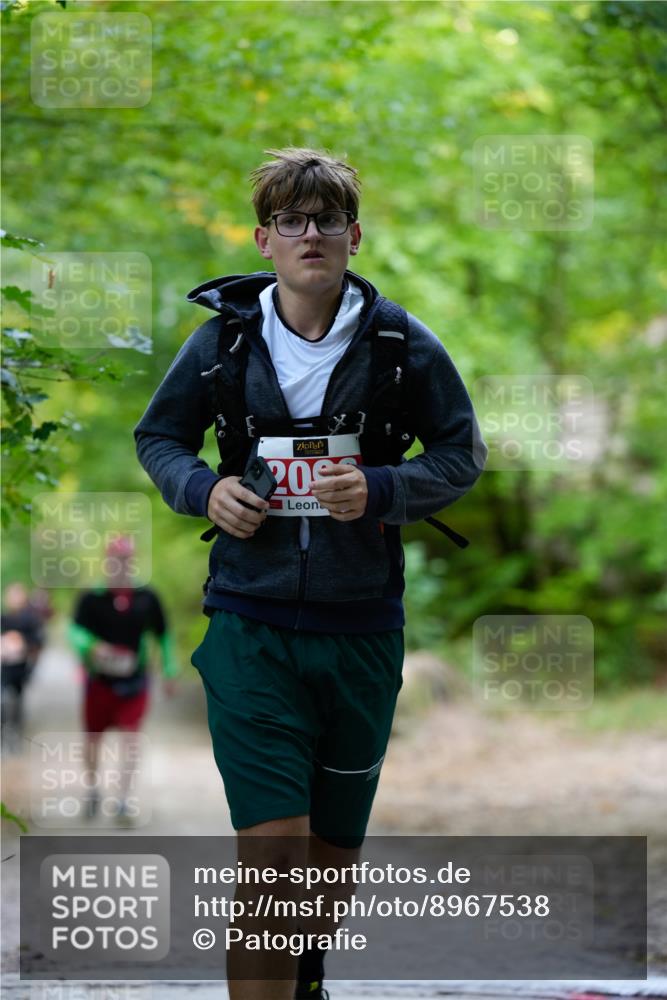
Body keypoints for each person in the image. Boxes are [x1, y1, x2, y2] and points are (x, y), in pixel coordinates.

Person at [134, 147, 485, 999]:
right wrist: (203, 490)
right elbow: (159, 440)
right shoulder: (221, 341)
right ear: (264, 239)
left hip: (361, 628)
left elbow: (461, 455)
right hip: (249, 626)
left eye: (327, 219)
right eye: (291, 221)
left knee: (327, 867)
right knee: (272, 859)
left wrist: (381, 488)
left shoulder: (401, 343)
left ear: (353, 235)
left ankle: (307, 974)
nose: (310, 235)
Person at [68, 535, 179, 823]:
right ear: (107, 560)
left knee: (131, 739)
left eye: (126, 559)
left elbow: (164, 635)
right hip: (99, 682)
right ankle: (93, 789)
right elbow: (75, 632)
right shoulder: (92, 597)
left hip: (135, 681)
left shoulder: (147, 596)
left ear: (133, 560)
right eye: (116, 559)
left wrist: (170, 671)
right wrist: (93, 647)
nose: (121, 564)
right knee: (93, 739)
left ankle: (122, 799)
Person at [1, 582, 45, 753]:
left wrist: (21, 644)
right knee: (2, 702)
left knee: (18, 702)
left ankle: (16, 736)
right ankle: (4, 737)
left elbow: (38, 643)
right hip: (4, 667)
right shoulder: (4, 618)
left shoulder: (30, 620)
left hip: (21, 668)